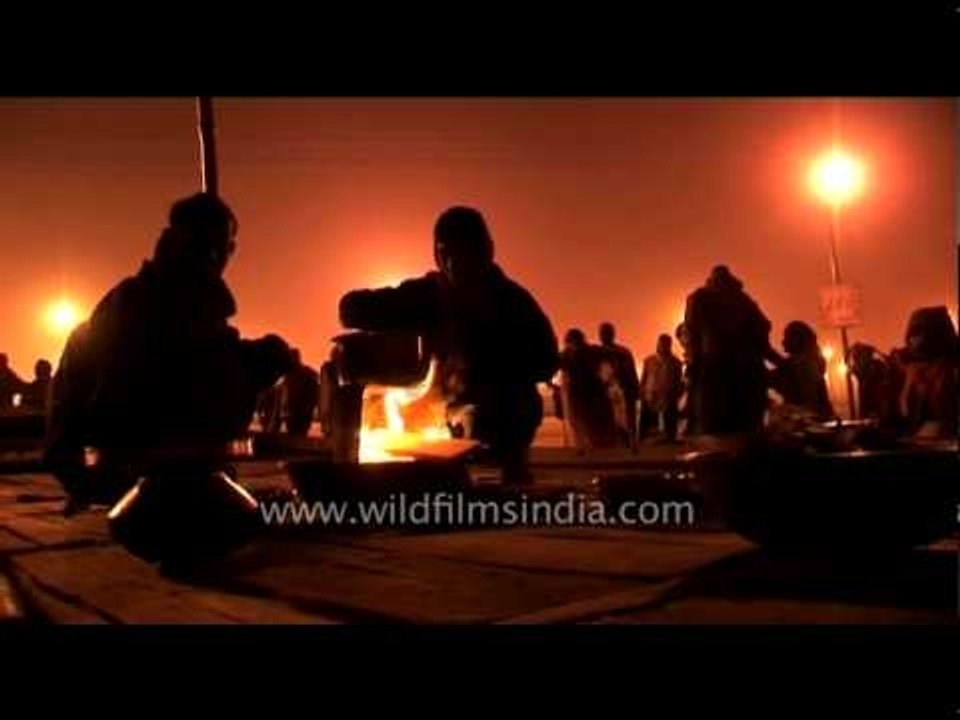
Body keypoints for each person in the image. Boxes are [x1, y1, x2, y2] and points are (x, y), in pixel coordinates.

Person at [46, 193, 295, 507]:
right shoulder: (150, 302)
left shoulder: (166, 297)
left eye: (227, 246)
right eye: (212, 244)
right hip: (141, 462)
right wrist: (259, 364)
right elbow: (177, 380)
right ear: (179, 240)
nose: (220, 255)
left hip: (133, 453)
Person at [339, 206, 559, 484]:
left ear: (487, 251)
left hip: (503, 419)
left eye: (466, 252)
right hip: (439, 420)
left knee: (510, 414)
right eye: (447, 253)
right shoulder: (430, 295)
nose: (456, 263)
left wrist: (492, 370)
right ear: (437, 255)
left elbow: (548, 359)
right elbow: (351, 310)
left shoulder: (513, 302)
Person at [684, 265, 777, 436]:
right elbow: (763, 327)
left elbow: (690, 332)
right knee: (738, 422)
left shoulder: (700, 298)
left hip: (718, 365)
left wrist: (692, 360)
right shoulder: (741, 299)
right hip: (738, 366)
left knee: (717, 421)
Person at [558, 329, 618, 452]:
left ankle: (591, 447)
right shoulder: (569, 354)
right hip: (580, 393)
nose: (573, 345)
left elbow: (614, 357)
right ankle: (586, 447)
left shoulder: (588, 351)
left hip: (590, 393)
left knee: (588, 423)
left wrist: (607, 380)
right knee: (580, 422)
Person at [768, 321, 834, 420]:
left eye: (787, 336)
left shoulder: (803, 364)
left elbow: (810, 403)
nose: (783, 341)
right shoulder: (805, 362)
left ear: (797, 339)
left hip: (811, 422)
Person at [597, 322, 640, 447]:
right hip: (606, 396)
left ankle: (630, 446)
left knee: (627, 424)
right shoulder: (598, 353)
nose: (604, 336)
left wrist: (635, 391)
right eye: (603, 333)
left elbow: (631, 373)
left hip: (624, 393)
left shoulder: (623, 352)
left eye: (606, 333)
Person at [638, 334, 684, 442]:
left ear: (669, 345)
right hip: (650, 397)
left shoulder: (676, 363)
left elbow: (678, 381)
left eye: (665, 344)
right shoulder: (648, 361)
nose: (662, 346)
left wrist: (676, 394)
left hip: (668, 398)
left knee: (670, 427)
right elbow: (643, 379)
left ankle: (670, 439)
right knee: (648, 428)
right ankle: (644, 441)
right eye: (660, 344)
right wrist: (642, 393)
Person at [282, 349, 320, 437]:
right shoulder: (290, 374)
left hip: (300, 414)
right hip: (295, 414)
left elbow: (313, 394)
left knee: (297, 435)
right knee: (296, 435)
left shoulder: (303, 374)